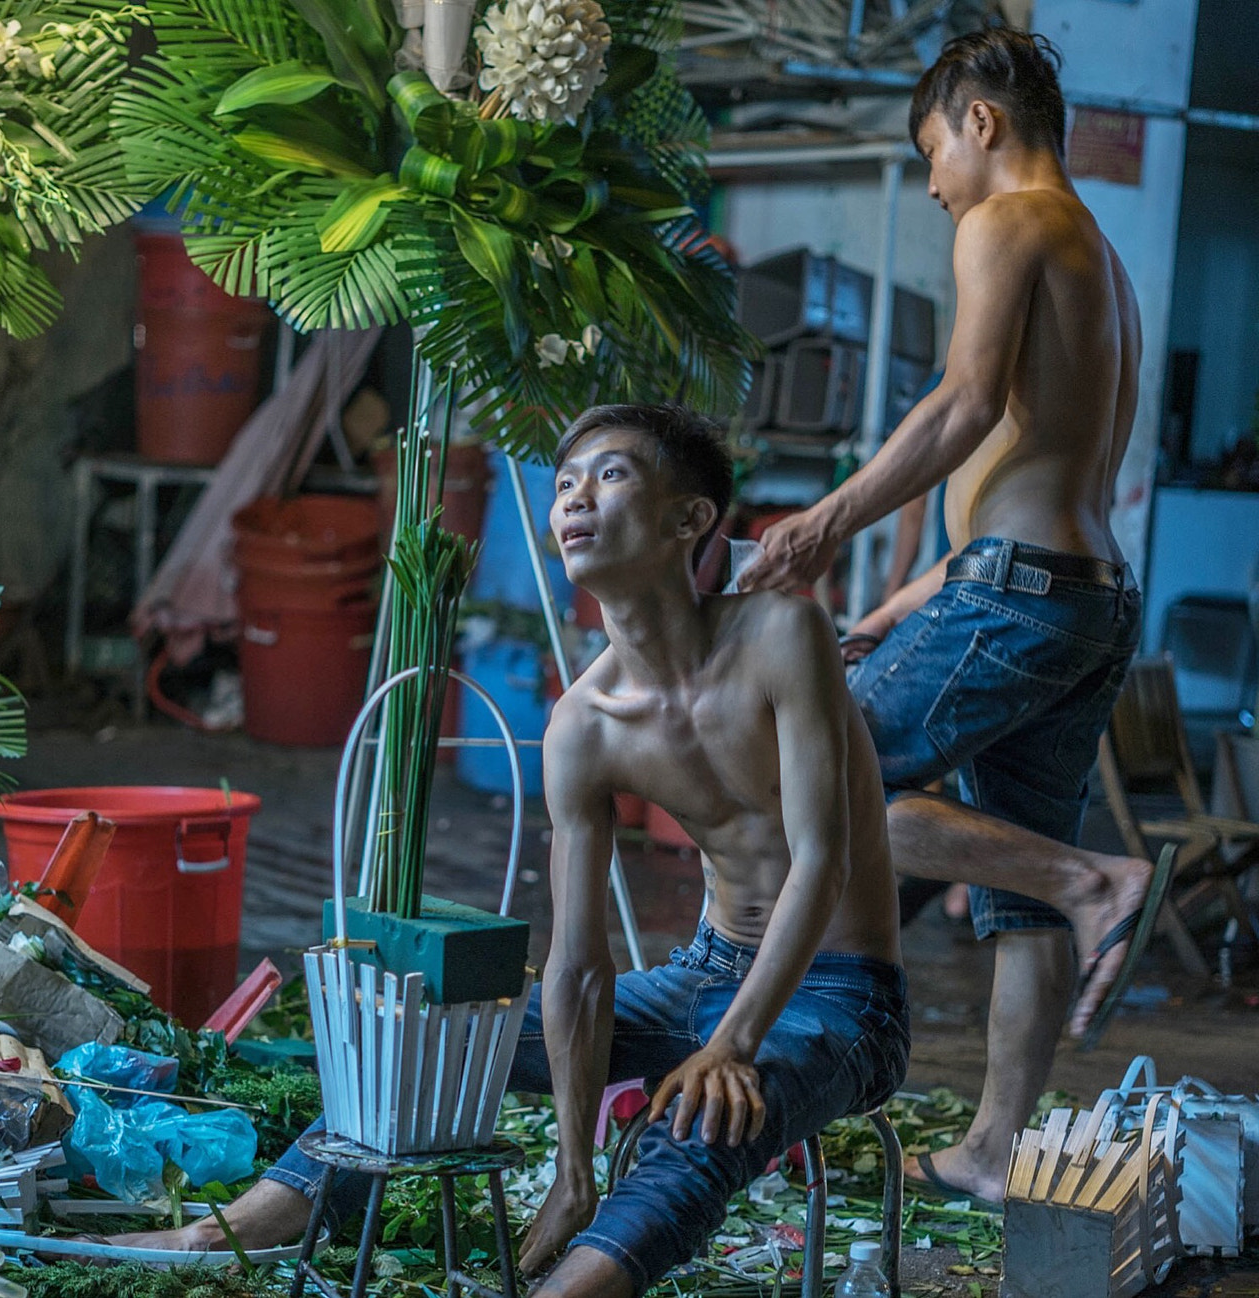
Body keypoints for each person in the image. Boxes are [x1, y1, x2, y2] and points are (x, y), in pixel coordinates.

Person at [109, 404, 909, 1297]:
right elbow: (576, 969)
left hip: (838, 996)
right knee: (424, 1045)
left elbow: (822, 861)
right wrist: (572, 1166)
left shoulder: (780, 634)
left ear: (691, 520)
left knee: (699, 1121)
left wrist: (732, 1043)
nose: (574, 498)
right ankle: (222, 1235)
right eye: (564, 483)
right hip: (703, 972)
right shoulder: (583, 725)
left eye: (609, 476)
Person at [739, 27, 1157, 1204]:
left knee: (811, 782)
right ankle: (992, 1150)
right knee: (1009, 896)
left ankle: (1092, 881)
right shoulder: (1099, 259)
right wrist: (896, 603)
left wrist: (822, 522)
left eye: (930, 149)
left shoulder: (1005, 221)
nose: (929, 184)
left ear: (980, 120)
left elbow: (963, 407)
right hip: (1084, 595)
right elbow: (1042, 472)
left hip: (1019, 593)